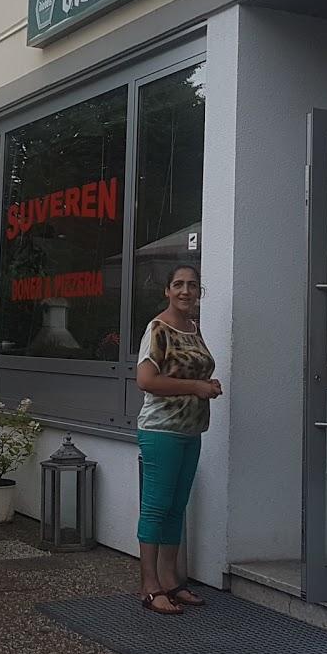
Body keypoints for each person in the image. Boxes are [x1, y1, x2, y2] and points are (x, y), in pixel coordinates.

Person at [134, 263, 222, 614]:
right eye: (179, 285)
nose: (186, 291)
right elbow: (146, 380)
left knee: (175, 507)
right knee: (156, 507)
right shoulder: (159, 328)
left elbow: (190, 371)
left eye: (193, 285)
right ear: (167, 291)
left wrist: (208, 387)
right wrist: (196, 387)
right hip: (161, 431)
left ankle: (171, 581)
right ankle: (149, 585)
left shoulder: (193, 329)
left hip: (190, 431)